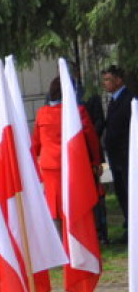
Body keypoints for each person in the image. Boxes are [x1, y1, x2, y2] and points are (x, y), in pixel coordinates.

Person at [32, 77, 101, 220]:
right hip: (73, 164)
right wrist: (95, 162)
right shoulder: (78, 111)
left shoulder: (42, 113)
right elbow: (91, 139)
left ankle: (59, 240)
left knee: (55, 208)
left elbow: (36, 144)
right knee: (77, 206)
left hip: (50, 167)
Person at [101, 65, 132, 233]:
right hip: (115, 158)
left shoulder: (129, 100)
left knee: (129, 193)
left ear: (118, 80)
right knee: (121, 194)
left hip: (126, 157)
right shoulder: (113, 100)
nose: (105, 83)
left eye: (108, 79)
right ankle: (129, 225)